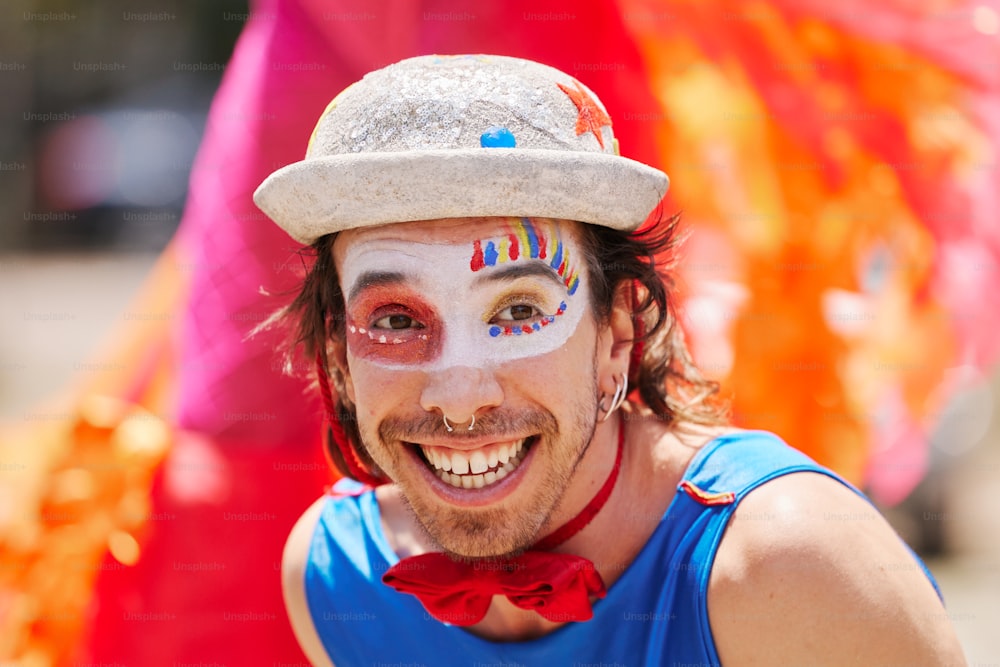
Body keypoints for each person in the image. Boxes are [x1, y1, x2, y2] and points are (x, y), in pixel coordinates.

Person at [254, 55, 966, 666]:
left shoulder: (787, 563)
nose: (460, 396)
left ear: (617, 332)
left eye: (520, 310)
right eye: (397, 320)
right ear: (338, 356)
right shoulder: (334, 579)